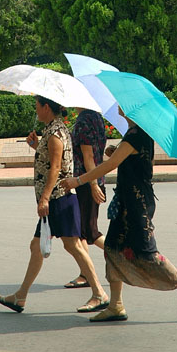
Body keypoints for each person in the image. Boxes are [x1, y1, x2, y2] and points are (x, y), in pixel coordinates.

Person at [60, 108, 177, 323]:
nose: (119, 106)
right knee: (112, 248)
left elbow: (109, 166)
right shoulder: (138, 135)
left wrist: (80, 180)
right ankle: (116, 305)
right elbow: (135, 162)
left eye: (122, 103)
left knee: (147, 253)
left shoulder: (135, 135)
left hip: (136, 205)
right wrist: (118, 152)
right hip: (128, 202)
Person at [0, 95, 109, 314]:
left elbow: (56, 167)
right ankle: (20, 296)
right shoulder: (54, 130)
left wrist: (45, 198)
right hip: (57, 197)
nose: (36, 110)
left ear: (47, 107)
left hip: (59, 198)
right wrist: (37, 145)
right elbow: (51, 158)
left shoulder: (56, 132)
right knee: (36, 246)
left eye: (37, 106)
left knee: (73, 245)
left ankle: (99, 293)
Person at [64, 108, 107, 289]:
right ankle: (85, 273)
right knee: (82, 231)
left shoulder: (82, 121)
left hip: (85, 182)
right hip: (92, 179)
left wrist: (93, 185)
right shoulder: (97, 117)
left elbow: (88, 155)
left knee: (90, 232)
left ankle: (124, 255)